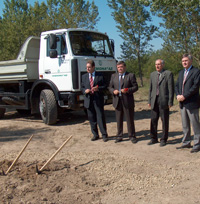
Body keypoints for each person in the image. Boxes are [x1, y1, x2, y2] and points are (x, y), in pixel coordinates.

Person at [175, 54, 200, 153]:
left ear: (191, 61)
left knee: (195, 124)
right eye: (182, 61)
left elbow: (195, 87)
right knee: (185, 124)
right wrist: (177, 95)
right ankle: (186, 142)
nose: (184, 62)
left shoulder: (196, 72)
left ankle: (197, 144)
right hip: (182, 102)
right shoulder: (181, 72)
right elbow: (177, 85)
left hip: (192, 102)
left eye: (186, 61)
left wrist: (184, 96)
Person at [108, 61, 138, 143]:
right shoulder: (114, 76)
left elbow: (135, 87)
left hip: (127, 101)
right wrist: (113, 91)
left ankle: (132, 136)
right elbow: (110, 87)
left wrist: (127, 90)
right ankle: (119, 136)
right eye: (118, 67)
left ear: (125, 67)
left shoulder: (130, 75)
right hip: (117, 101)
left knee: (129, 120)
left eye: (121, 67)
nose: (120, 68)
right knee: (119, 120)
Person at [148, 59, 174, 147]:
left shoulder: (168, 74)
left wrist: (170, 101)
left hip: (164, 100)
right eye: (156, 64)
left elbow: (171, 89)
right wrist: (149, 101)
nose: (157, 66)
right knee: (153, 119)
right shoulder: (153, 74)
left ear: (163, 65)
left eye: (159, 64)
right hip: (154, 100)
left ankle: (164, 139)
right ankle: (153, 138)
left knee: (164, 120)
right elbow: (150, 89)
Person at [81, 60, 108, 142]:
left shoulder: (100, 75)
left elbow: (105, 86)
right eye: (86, 67)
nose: (87, 69)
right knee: (92, 118)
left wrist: (98, 88)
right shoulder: (84, 76)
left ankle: (104, 135)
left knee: (100, 117)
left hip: (98, 99)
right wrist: (85, 91)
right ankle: (95, 134)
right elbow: (82, 87)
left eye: (89, 67)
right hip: (89, 100)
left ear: (93, 67)